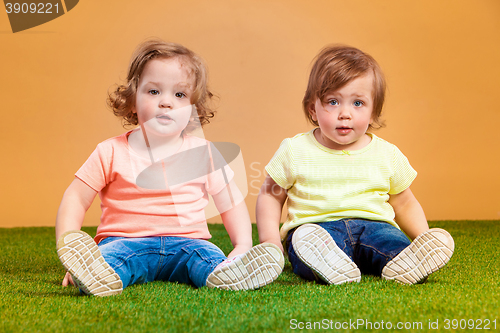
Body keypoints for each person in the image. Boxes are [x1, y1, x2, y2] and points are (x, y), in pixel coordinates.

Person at [56, 39, 284, 296]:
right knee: (112, 259)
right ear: (132, 101)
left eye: (179, 95)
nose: (166, 102)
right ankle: (93, 271)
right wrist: (68, 245)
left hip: (188, 243)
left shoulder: (204, 152)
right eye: (154, 92)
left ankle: (229, 272)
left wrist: (242, 245)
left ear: (193, 109)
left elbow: (230, 202)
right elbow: (75, 197)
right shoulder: (109, 151)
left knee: (208, 259)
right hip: (125, 242)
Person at [256, 45, 454, 285]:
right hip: (318, 229)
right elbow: (270, 195)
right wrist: (271, 243)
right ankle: (327, 263)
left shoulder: (387, 154)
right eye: (333, 101)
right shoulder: (294, 150)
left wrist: (422, 237)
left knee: (391, 242)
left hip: (374, 226)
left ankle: (408, 260)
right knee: (306, 246)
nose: (345, 113)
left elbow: (404, 203)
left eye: (358, 103)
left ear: (373, 113)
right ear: (313, 109)